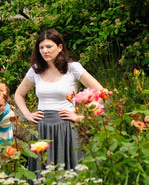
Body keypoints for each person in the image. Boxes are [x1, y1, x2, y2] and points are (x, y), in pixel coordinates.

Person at [14, 29, 104, 170]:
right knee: (43, 172)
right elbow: (19, 94)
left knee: (66, 170)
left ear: (60, 47)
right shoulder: (35, 70)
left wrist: (81, 117)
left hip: (65, 127)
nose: (45, 51)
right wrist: (28, 115)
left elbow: (101, 92)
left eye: (49, 46)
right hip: (41, 127)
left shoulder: (72, 68)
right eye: (41, 47)